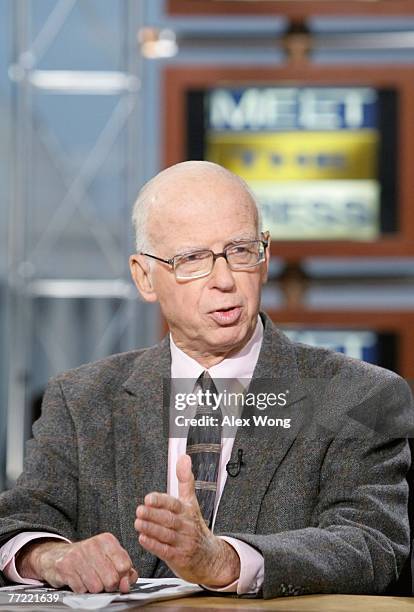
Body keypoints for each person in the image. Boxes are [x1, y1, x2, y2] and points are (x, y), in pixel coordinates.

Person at [0, 161, 412, 598]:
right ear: (144, 277)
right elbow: (20, 520)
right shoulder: (82, 400)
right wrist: (50, 556)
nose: (224, 280)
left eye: (240, 250)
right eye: (192, 259)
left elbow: (372, 544)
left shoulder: (359, 396)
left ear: (266, 257)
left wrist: (225, 560)